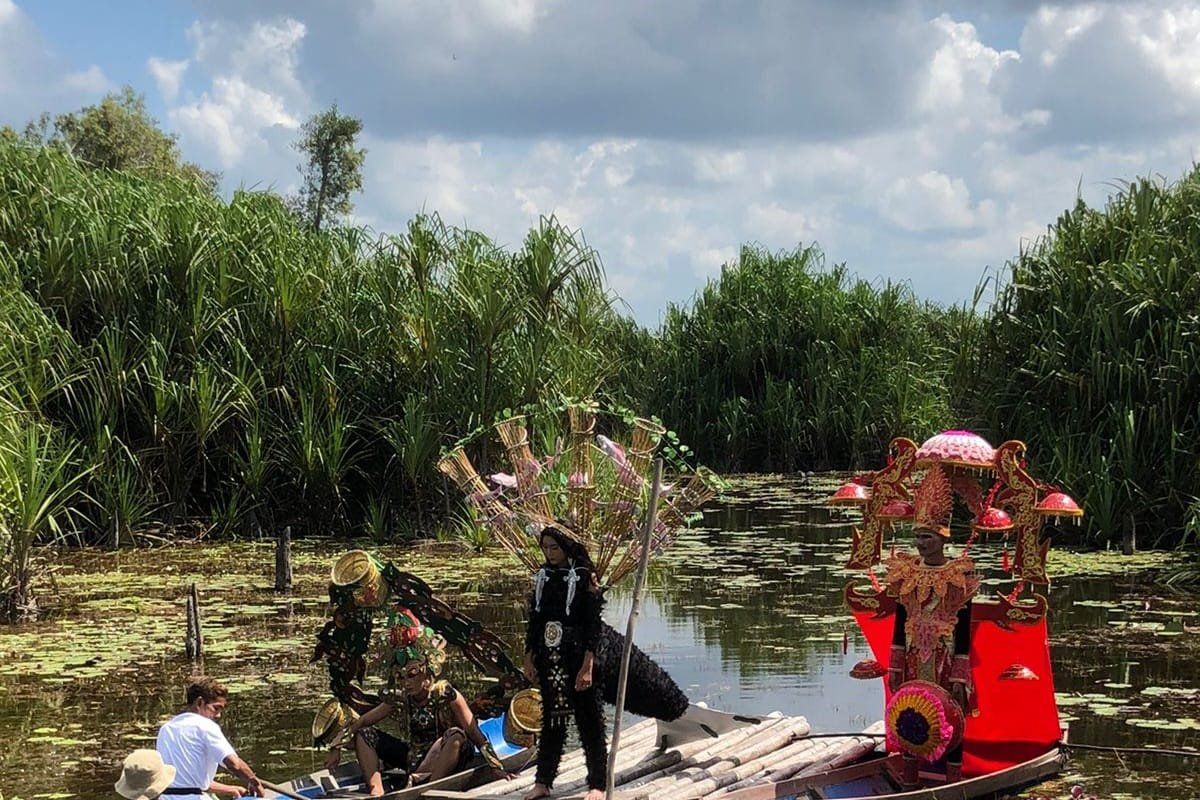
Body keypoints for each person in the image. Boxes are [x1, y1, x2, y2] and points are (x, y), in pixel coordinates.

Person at [521, 526, 690, 800]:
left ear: (567, 548)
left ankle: (597, 785)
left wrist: (588, 664)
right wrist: (529, 654)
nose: (550, 554)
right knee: (553, 720)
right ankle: (543, 781)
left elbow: (592, 625)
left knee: (590, 723)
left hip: (583, 659)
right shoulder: (544, 577)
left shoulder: (585, 579)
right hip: (552, 661)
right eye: (546, 548)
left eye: (555, 548)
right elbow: (536, 619)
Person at [326, 609, 505, 797]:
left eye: (412, 674)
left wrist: (495, 766)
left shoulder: (446, 693)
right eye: (400, 677)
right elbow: (362, 722)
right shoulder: (400, 697)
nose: (406, 682)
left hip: (449, 755)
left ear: (427, 671)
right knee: (365, 734)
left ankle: (429, 788)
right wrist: (335, 747)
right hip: (414, 759)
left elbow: (473, 732)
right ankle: (376, 791)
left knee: (455, 734)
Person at [884, 465, 979, 786]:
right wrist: (894, 667)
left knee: (949, 716)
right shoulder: (905, 573)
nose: (921, 543)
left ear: (942, 537)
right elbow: (900, 624)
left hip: (945, 660)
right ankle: (910, 783)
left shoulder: (958, 576)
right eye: (917, 537)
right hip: (912, 659)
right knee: (910, 715)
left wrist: (959, 675)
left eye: (926, 537)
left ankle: (952, 784)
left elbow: (964, 631)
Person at [155, 677, 264, 799]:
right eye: (216, 708)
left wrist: (230, 789)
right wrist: (254, 781)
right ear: (200, 703)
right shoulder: (205, 726)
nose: (218, 715)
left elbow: (187, 784)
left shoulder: (166, 729)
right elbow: (234, 764)